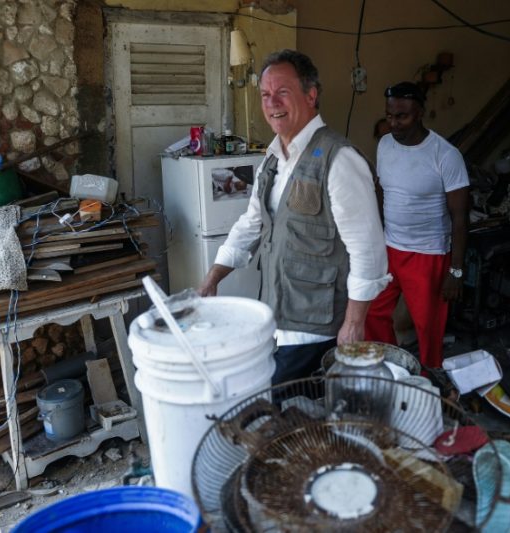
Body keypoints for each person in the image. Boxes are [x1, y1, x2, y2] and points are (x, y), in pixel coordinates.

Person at [198, 50, 389, 384]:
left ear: (310, 95)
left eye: (282, 92)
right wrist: (214, 276)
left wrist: (355, 322)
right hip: (277, 319)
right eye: (265, 94)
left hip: (316, 330)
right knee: (283, 415)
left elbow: (368, 250)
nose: (272, 103)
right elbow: (251, 224)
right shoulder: (272, 160)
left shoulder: (339, 159)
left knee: (289, 413)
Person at [364, 81, 469, 369]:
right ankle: (391, 368)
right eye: (389, 116)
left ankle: (428, 381)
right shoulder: (385, 144)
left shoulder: (445, 155)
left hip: (428, 254)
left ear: (420, 113)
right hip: (390, 247)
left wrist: (456, 271)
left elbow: (460, 217)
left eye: (402, 117)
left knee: (428, 327)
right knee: (372, 312)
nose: (394, 123)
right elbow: (382, 190)